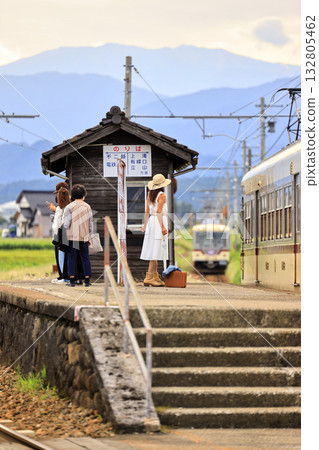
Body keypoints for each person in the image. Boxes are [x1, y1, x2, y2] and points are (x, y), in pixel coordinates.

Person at [140, 174, 171, 287]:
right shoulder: (162, 195)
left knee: (155, 249)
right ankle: (149, 277)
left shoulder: (150, 194)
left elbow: (147, 211)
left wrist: (144, 225)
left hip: (151, 222)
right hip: (159, 221)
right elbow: (159, 211)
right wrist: (162, 226)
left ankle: (155, 276)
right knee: (156, 249)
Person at [63, 184, 93, 287]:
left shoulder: (69, 207)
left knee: (71, 257)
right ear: (84, 195)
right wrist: (89, 237)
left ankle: (72, 280)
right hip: (84, 236)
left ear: (72, 195)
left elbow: (66, 224)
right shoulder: (87, 207)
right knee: (85, 257)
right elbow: (90, 224)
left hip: (72, 237)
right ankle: (87, 280)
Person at [48, 181, 68, 283]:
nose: (57, 195)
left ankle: (64, 276)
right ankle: (61, 275)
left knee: (62, 255)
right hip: (58, 233)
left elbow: (63, 216)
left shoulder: (66, 204)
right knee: (59, 254)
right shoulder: (62, 204)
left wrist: (55, 209)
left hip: (62, 233)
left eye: (58, 192)